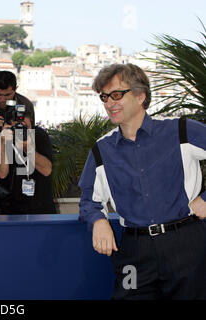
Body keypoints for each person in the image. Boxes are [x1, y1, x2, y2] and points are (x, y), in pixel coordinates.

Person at [78, 63, 206, 299]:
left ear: (140, 96)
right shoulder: (101, 150)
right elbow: (89, 200)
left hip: (186, 246)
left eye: (116, 95)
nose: (109, 103)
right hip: (134, 253)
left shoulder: (181, 131)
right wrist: (98, 221)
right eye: (104, 97)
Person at [0, 107, 56, 214]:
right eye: (17, 124)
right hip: (11, 206)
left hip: (40, 207)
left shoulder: (39, 135)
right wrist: (3, 143)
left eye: (25, 126)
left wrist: (29, 149)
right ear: (9, 124)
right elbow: (1, 173)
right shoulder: (4, 136)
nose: (21, 128)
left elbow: (47, 170)